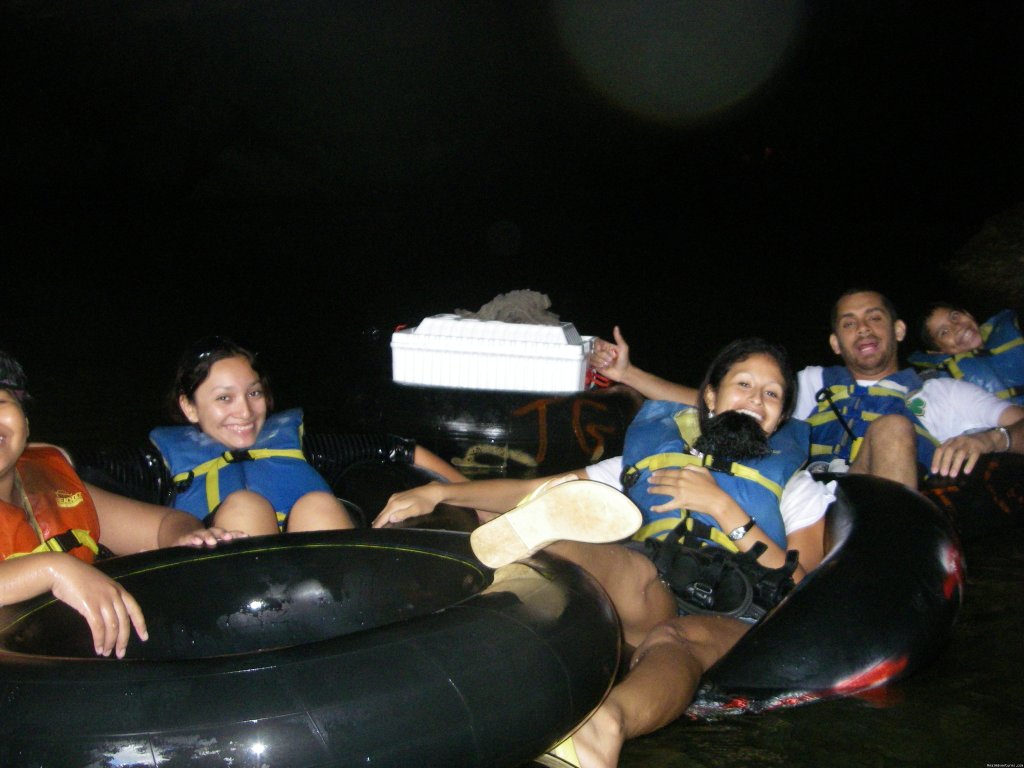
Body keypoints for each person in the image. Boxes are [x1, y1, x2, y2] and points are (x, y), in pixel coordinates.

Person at [374, 338, 832, 768]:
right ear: (710, 397)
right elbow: (534, 488)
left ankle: (604, 724)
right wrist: (443, 493)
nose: (756, 400)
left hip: (736, 616)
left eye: (772, 394)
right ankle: (538, 546)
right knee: (582, 548)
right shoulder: (652, 456)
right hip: (654, 585)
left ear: (780, 416)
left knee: (673, 639)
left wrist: (722, 507)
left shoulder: (795, 485)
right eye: (744, 385)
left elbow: (800, 587)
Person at [589, 291, 1024, 488]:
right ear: (836, 342)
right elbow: (722, 404)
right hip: (808, 507)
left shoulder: (944, 392)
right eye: (849, 323)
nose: (863, 329)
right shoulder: (812, 383)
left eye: (874, 317)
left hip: (881, 521)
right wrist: (629, 374)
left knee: (892, 427)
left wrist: (992, 437)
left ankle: (889, 565)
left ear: (898, 329)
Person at [1, 349, 244, 658]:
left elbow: (163, 525)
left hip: (85, 665)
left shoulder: (49, 478)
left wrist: (185, 539)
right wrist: (54, 569)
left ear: (24, 417)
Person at [150, 335, 359, 536]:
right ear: (189, 407)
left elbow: (383, 453)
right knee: (245, 509)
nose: (245, 412)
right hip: (224, 561)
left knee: (318, 507)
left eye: (254, 393)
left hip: (317, 562)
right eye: (224, 397)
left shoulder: (309, 441)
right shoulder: (155, 462)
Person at [909, 303, 1024, 405]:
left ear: (968, 314)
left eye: (955, 316)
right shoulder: (938, 384)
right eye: (944, 332)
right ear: (936, 352)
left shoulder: (1017, 327)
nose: (957, 327)